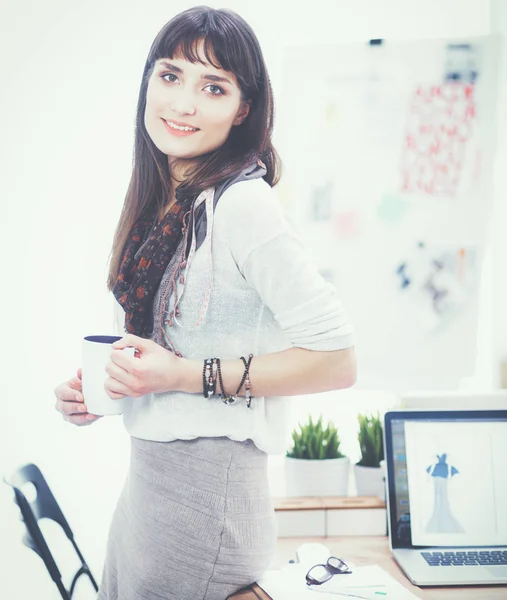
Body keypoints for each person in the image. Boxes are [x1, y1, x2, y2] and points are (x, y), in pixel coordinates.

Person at [54, 6, 357, 600]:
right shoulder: (167, 201)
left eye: (212, 86)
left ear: (242, 108)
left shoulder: (243, 207)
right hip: (149, 488)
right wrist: (104, 384)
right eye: (170, 76)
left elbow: (338, 360)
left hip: (207, 497)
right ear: (148, 80)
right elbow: (175, 345)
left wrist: (182, 375)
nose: (183, 103)